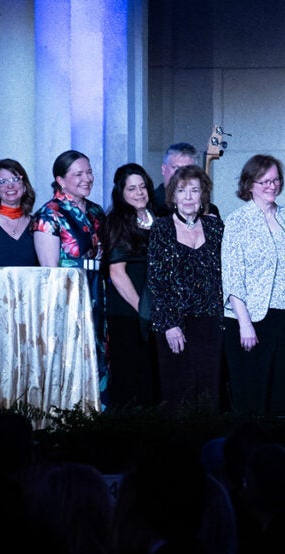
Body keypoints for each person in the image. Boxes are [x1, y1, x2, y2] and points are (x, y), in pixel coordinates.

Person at [221, 155, 285, 414]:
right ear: (249, 184)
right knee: (252, 396)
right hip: (250, 320)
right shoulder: (237, 221)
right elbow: (232, 277)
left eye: (275, 179)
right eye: (263, 181)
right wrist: (245, 324)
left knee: (283, 394)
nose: (271, 185)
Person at [32, 150, 109, 402]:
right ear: (61, 180)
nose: (87, 178)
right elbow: (49, 270)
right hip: (67, 298)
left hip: (98, 292)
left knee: (100, 357)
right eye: (78, 174)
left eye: (89, 172)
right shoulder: (49, 214)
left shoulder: (97, 211)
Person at [147, 164, 224, 410]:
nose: (189, 197)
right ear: (173, 196)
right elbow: (157, 282)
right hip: (174, 322)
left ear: (203, 195)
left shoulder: (215, 228)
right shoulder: (161, 228)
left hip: (210, 320)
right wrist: (170, 324)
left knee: (209, 390)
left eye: (194, 190)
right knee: (179, 391)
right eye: (182, 191)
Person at [102, 162, 159, 409]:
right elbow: (117, 273)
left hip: (152, 311)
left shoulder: (157, 217)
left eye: (142, 187)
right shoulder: (117, 222)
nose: (139, 193)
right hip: (128, 312)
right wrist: (142, 310)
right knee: (130, 378)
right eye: (132, 189)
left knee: (151, 378)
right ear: (121, 193)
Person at [153, 142, 221, 217]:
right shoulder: (151, 204)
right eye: (176, 168)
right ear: (163, 169)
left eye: (187, 169)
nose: (181, 174)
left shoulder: (209, 209)